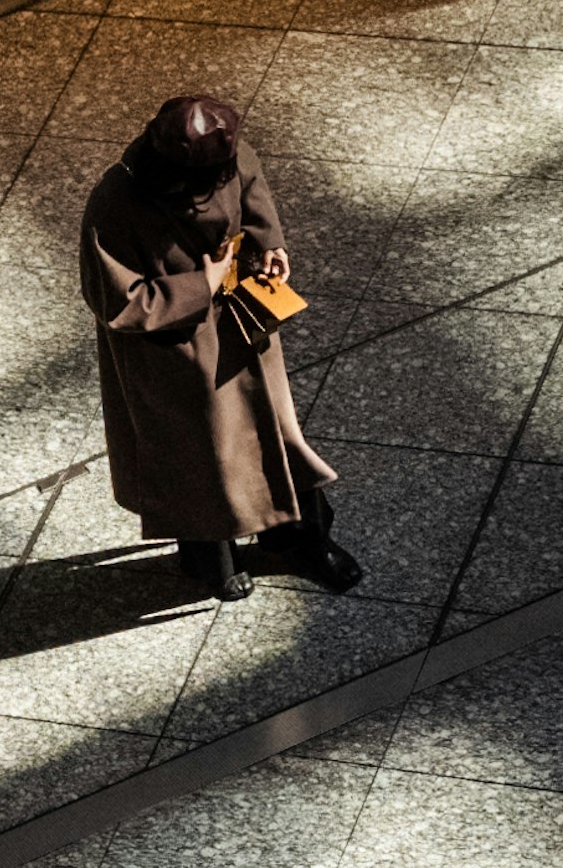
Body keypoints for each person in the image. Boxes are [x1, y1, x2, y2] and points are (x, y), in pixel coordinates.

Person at [79, 89, 358, 606]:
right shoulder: (116, 202)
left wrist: (268, 243)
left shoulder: (227, 157)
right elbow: (117, 300)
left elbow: (251, 190)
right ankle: (210, 558)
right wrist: (199, 287)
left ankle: (298, 539)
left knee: (276, 436)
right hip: (175, 354)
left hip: (242, 326)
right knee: (201, 457)